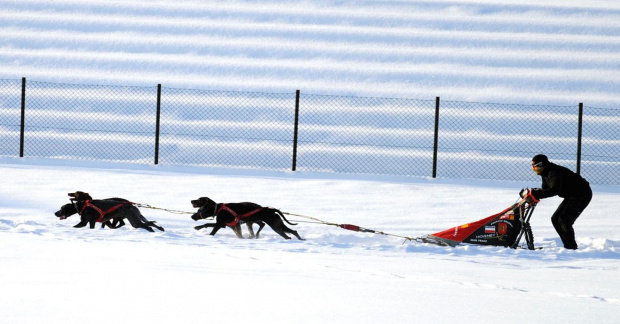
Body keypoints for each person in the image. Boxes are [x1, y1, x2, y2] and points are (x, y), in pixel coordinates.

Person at [523, 154, 592, 249]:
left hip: (582, 193)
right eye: (532, 165)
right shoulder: (545, 173)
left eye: (535, 165)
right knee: (555, 219)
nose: (534, 168)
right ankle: (568, 245)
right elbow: (545, 189)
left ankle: (571, 247)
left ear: (542, 164)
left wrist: (537, 194)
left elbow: (555, 190)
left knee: (564, 220)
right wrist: (532, 193)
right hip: (572, 195)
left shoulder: (553, 172)